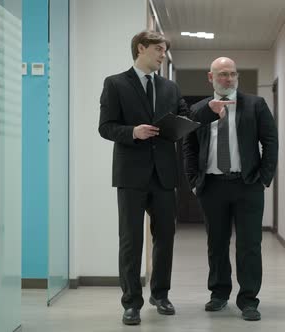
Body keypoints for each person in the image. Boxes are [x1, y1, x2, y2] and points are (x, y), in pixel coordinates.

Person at [98, 30, 219, 326]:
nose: (163, 55)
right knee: (130, 240)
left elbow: (185, 117)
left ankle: (160, 294)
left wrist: (208, 110)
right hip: (131, 175)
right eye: (159, 50)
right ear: (141, 48)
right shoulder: (115, 84)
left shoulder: (169, 87)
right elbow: (106, 127)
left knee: (165, 237)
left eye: (164, 50)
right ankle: (131, 303)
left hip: (165, 175)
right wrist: (132, 132)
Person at [183, 57, 278, 321]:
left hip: (247, 185)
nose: (229, 78)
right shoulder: (199, 108)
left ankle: (248, 299)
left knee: (250, 245)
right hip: (212, 186)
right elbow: (189, 146)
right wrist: (193, 181)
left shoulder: (255, 105)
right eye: (222, 74)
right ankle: (219, 294)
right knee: (217, 243)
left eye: (233, 74)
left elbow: (271, 142)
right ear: (210, 77)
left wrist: (264, 178)